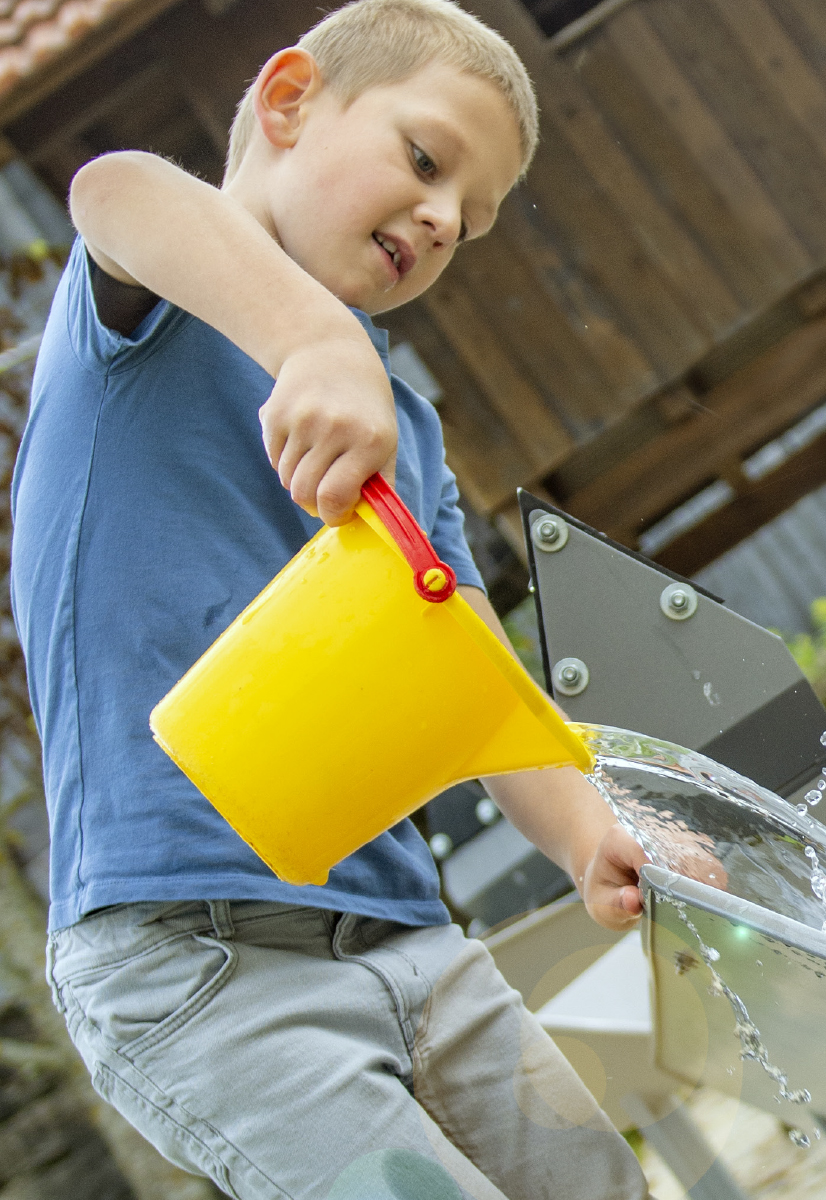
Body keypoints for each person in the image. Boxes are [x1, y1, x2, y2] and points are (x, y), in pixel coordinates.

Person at [10, 0, 695, 1194]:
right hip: (196, 964)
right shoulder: (151, 308)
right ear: (284, 103)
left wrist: (594, 832)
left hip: (414, 943)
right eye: (425, 161)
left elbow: (465, 677)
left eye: (469, 224)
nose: (440, 220)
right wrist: (316, 342)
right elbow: (116, 190)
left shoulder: (401, 431)